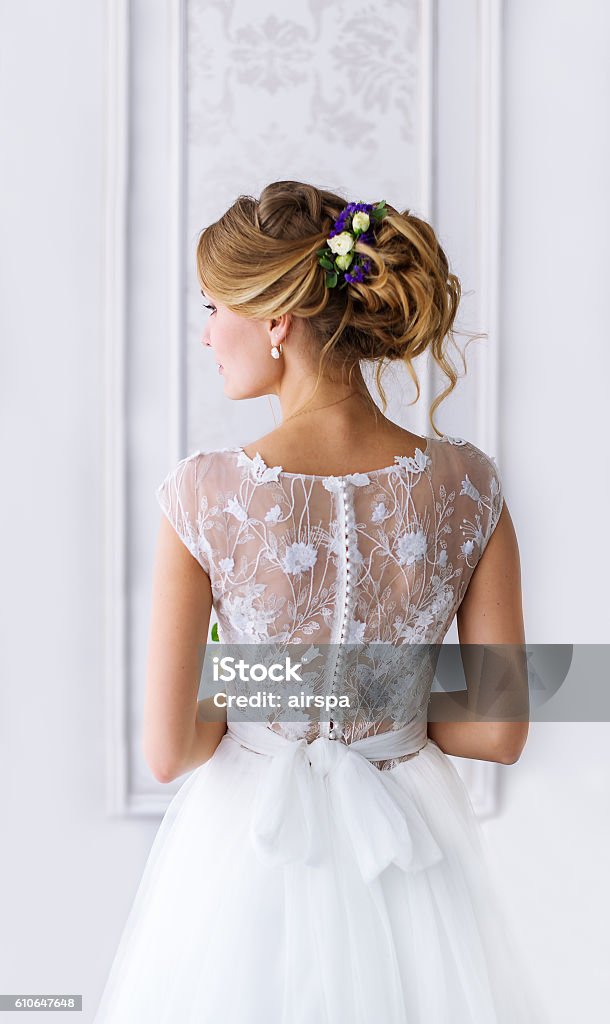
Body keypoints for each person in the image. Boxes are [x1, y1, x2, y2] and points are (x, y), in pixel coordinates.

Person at [93, 182, 548, 1022]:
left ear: (276, 321)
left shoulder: (205, 495)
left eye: (213, 305)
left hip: (247, 857)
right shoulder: (468, 487)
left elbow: (170, 749)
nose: (205, 333)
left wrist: (291, 693)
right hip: (410, 851)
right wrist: (383, 697)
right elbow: (498, 726)